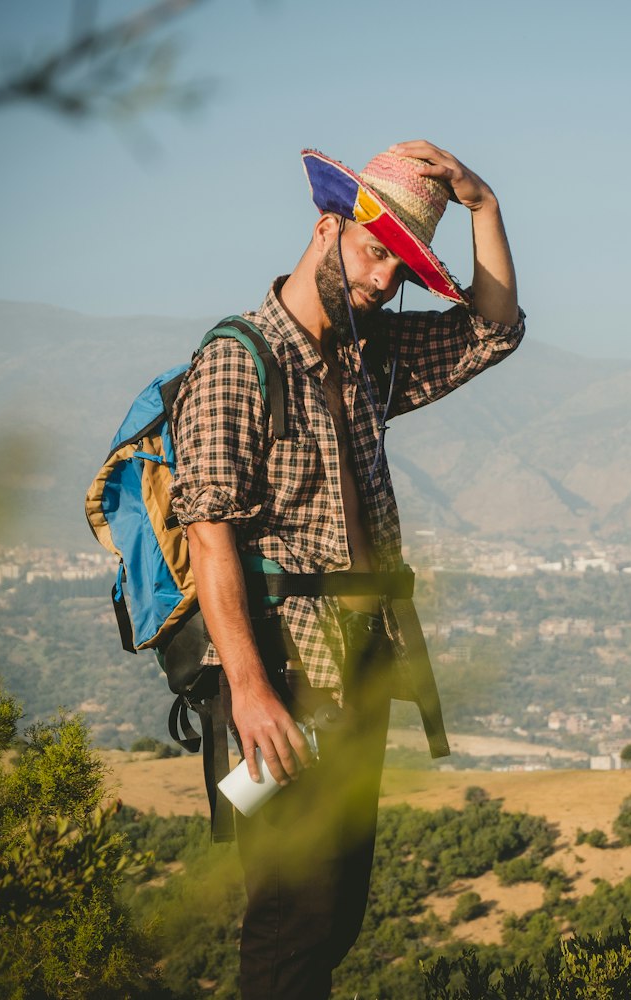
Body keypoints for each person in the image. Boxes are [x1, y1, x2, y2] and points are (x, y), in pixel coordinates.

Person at [168, 140, 523, 998]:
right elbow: (210, 536)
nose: (382, 282)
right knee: (291, 909)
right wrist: (248, 691)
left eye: (402, 271)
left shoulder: (369, 357)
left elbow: (493, 330)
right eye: (376, 255)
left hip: (359, 663)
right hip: (275, 673)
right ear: (330, 226)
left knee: (337, 911)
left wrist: (485, 206)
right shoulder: (236, 360)